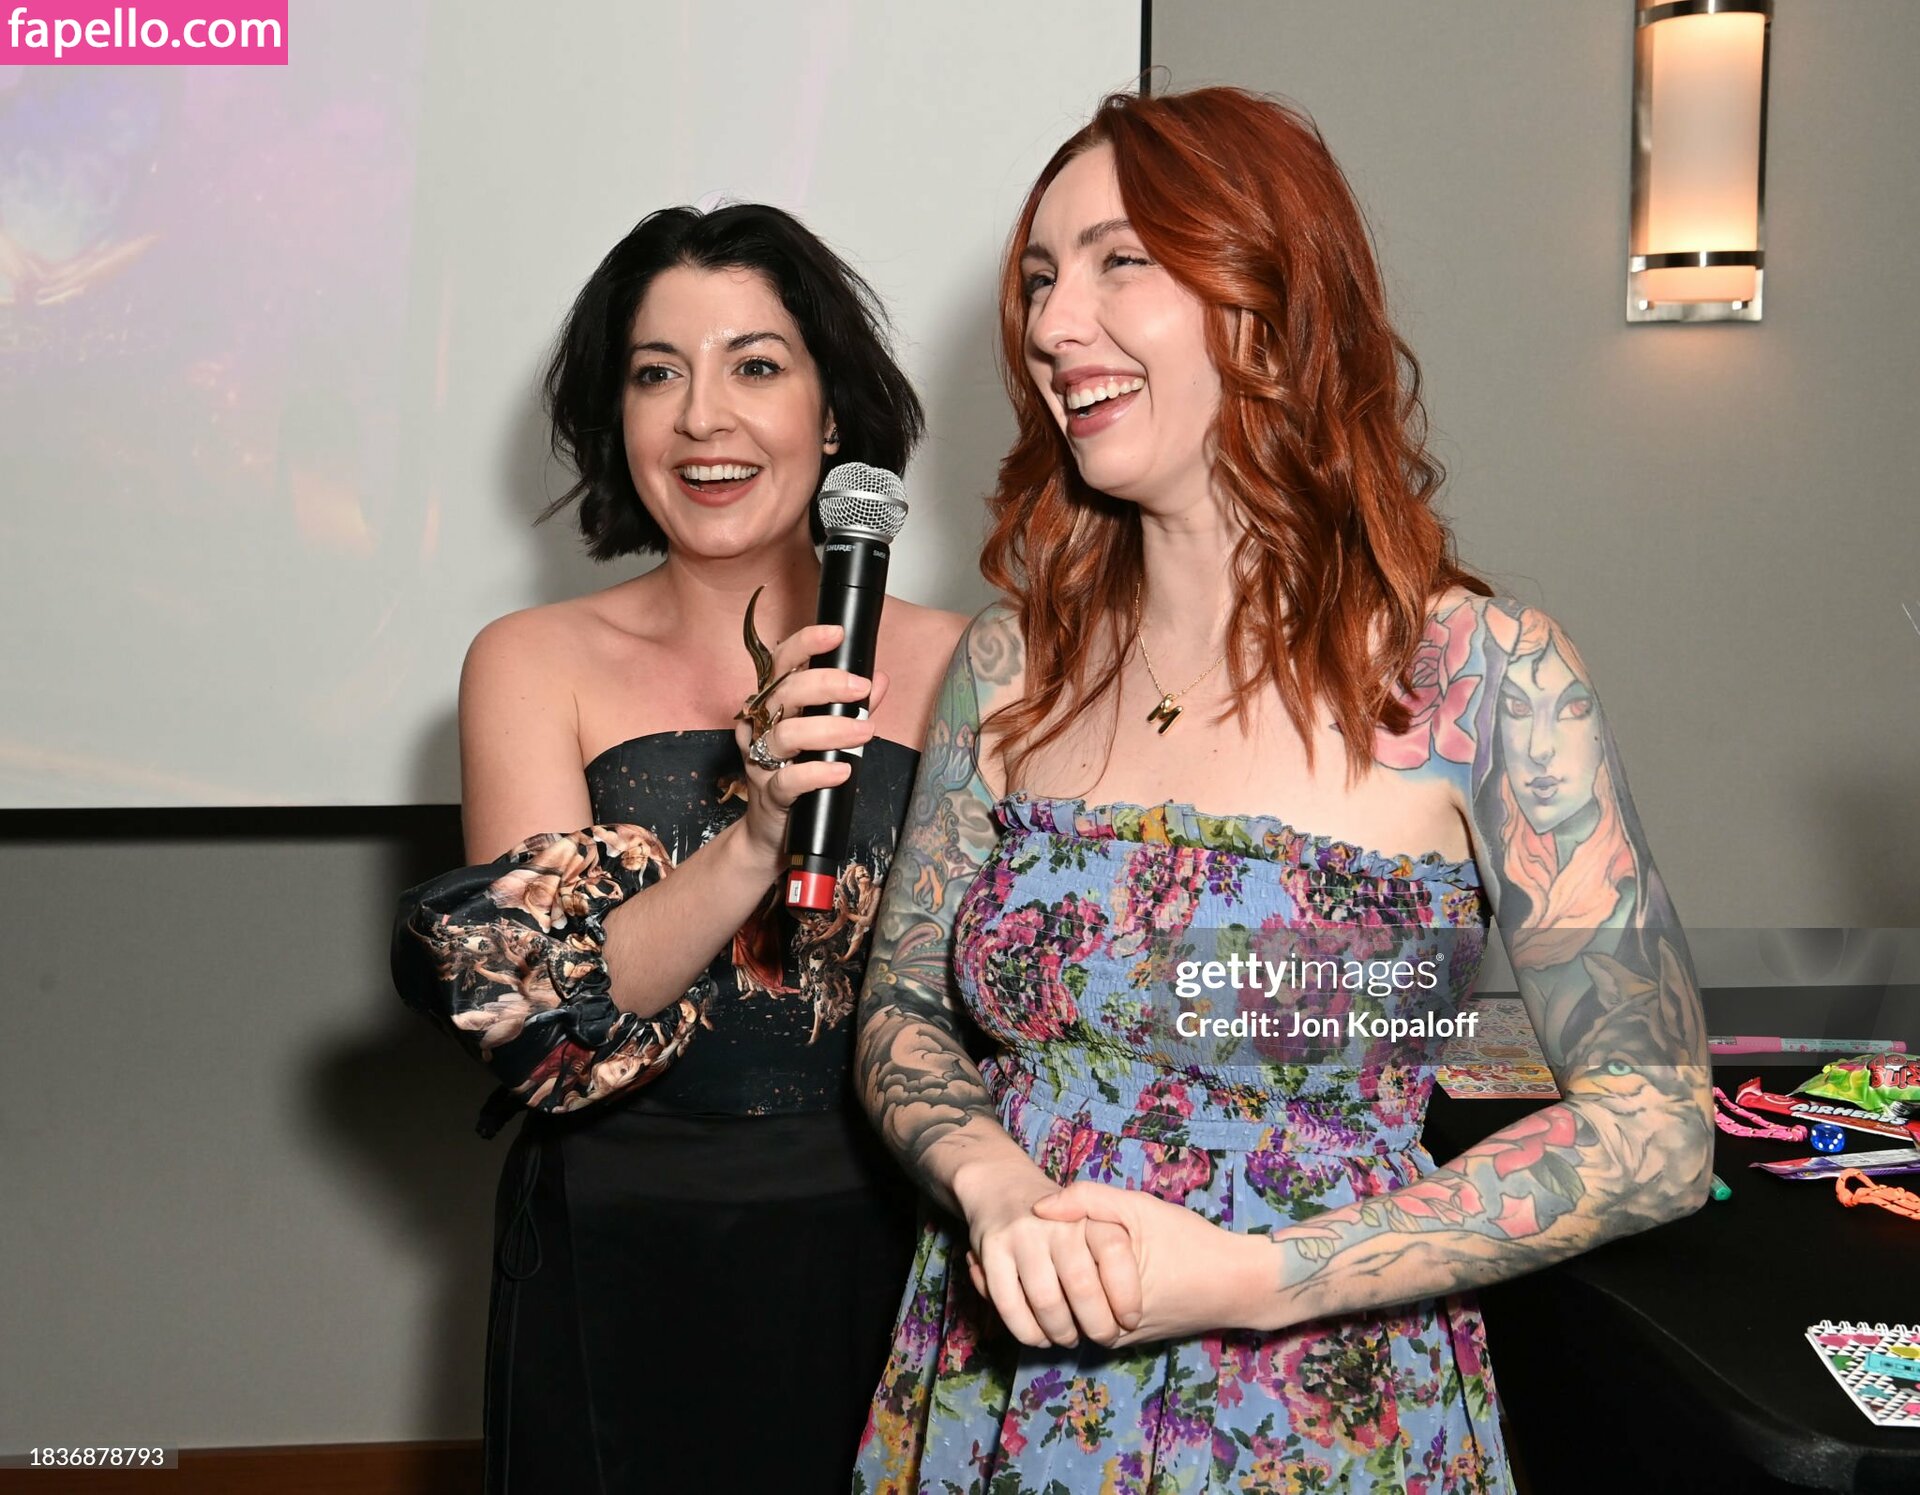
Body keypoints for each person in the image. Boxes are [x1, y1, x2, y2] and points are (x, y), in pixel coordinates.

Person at [851, 87, 1713, 1494]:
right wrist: (993, 1184)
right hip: (1000, 1392)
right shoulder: (1009, 665)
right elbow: (899, 1010)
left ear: (1269, 300)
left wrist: (1258, 1279)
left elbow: (1655, 1124)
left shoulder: (1483, 676)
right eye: (1041, 280)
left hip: (1314, 1418)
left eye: (1121, 262)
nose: (1056, 325)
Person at [390, 202, 967, 1494]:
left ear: (833, 413)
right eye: (658, 374)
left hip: (904, 1248)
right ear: (619, 418)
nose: (704, 417)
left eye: (755, 366)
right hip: (620, 1252)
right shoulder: (533, 662)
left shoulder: (968, 663)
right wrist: (757, 832)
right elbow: (550, 1023)